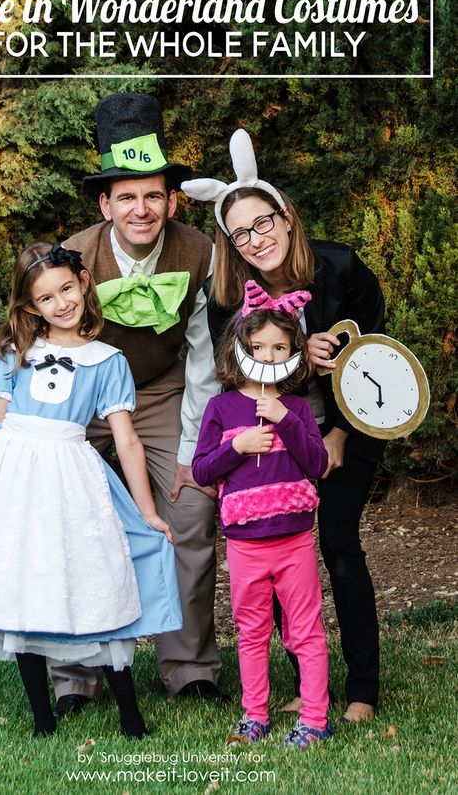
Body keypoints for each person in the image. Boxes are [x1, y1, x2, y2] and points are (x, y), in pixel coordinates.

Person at [0, 242, 181, 739]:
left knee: (100, 575)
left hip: (74, 481)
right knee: (21, 582)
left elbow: (127, 440)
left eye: (67, 288)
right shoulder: (15, 355)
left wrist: (147, 512)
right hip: (14, 483)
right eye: (47, 298)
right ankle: (42, 718)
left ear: (84, 283)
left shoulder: (108, 360)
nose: (61, 303)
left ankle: (130, 716)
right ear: (31, 307)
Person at [182, 129, 386, 724]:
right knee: (271, 547)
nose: (255, 239)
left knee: (338, 542)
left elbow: (378, 357)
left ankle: (362, 690)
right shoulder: (227, 300)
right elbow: (227, 382)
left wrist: (340, 429)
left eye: (263, 222)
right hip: (270, 439)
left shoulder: (341, 268)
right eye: (240, 232)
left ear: (287, 217)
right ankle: (306, 682)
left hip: (344, 427)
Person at [51, 91, 225, 712]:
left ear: (172, 199)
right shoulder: (71, 258)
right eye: (126, 195)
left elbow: (205, 356)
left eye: (153, 194)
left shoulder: (201, 253)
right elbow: (45, 351)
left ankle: (189, 665)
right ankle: (75, 674)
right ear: (105, 203)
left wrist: (188, 452)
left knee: (191, 515)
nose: (141, 208)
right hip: (83, 398)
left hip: (160, 393)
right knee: (76, 523)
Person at [192, 287, 334, 748]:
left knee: (305, 631)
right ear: (240, 350)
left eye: (279, 348)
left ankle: (315, 717)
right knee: (251, 633)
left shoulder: (295, 409)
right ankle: (256, 714)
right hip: (244, 544)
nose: (268, 356)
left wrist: (284, 420)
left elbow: (317, 464)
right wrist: (236, 447)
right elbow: (201, 469)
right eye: (258, 348)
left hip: (293, 541)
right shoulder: (221, 407)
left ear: (294, 353)